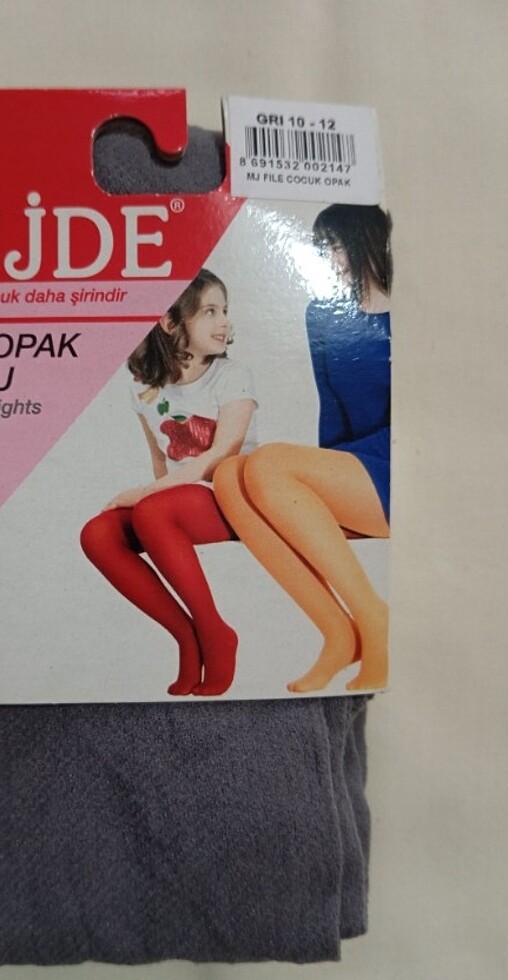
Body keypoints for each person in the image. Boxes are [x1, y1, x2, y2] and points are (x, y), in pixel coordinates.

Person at [213, 204, 392, 693]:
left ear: (363, 240)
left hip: (405, 473)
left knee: (268, 463)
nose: (329, 259)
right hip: (359, 469)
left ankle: (374, 619)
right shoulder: (323, 315)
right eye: (322, 249)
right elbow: (331, 405)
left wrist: (326, 475)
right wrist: (323, 484)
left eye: (336, 246)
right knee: (231, 476)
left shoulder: (412, 313)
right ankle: (338, 633)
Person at [80, 269, 257, 697]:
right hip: (180, 501)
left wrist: (145, 497)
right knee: (98, 534)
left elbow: (223, 452)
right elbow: (161, 458)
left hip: (234, 494)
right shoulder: (143, 388)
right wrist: (154, 497)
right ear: (170, 321)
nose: (224, 322)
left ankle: (215, 631)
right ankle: (186, 635)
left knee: (151, 509)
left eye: (225, 311)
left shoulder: (231, 375)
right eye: (210, 311)